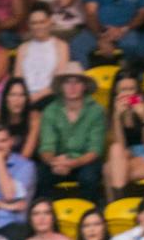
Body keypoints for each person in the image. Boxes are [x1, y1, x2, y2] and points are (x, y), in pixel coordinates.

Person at [36, 63, 106, 199]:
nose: (72, 87)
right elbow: (46, 147)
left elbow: (95, 150)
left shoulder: (96, 111)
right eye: (67, 82)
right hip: (58, 160)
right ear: (61, 87)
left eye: (77, 82)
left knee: (89, 177)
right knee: (41, 175)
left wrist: (73, 163)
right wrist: (54, 162)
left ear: (84, 86)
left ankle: (90, 214)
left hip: (85, 161)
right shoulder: (50, 110)